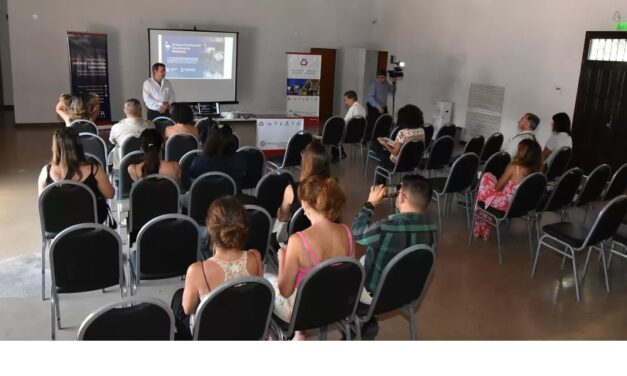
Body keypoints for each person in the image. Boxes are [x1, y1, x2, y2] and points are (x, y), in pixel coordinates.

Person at [266, 176, 353, 340]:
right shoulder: (346, 232)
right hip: (335, 304)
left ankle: (274, 337)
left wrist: (282, 258)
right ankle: (300, 334)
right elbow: (347, 275)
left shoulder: (298, 241)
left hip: (302, 312)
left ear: (305, 204)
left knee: (264, 281)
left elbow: (285, 291)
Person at [351, 175, 437, 338]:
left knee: (349, 270)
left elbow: (357, 233)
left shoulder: (385, 228)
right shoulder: (433, 229)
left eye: (399, 193)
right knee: (365, 260)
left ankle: (359, 324)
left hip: (376, 295)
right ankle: (368, 321)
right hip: (408, 292)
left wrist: (369, 205)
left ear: (403, 197)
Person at [170, 196, 264, 339]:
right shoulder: (255, 257)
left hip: (210, 333)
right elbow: (256, 295)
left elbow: (188, 310)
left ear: (211, 229)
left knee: (178, 299)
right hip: (244, 325)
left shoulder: (197, 271)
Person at [37, 127, 114, 224]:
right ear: (78, 145)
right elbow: (110, 194)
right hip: (90, 222)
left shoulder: (45, 172)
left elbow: (42, 203)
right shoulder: (94, 170)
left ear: (55, 147)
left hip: (58, 225)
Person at [473, 139, 543, 239]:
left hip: (505, 206)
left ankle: (480, 226)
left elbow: (498, 187)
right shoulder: (537, 173)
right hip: (520, 206)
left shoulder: (515, 167)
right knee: (486, 191)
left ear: (523, 153)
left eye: (520, 149)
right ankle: (482, 226)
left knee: (486, 177)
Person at [276, 141, 331, 223]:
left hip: (298, 234)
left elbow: (283, 218)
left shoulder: (292, 190)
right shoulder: (332, 188)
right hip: (323, 234)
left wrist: (280, 213)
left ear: (305, 160)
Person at [373, 104, 426, 184]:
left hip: (398, 163)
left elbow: (395, 152)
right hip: (413, 161)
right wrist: (390, 143)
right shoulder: (422, 131)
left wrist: (384, 143)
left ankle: (380, 187)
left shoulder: (402, 133)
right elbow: (407, 145)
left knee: (379, 151)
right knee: (383, 154)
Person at [189, 123, 246, 190]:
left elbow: (193, 181)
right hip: (231, 198)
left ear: (209, 140)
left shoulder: (198, 162)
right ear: (232, 139)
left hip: (204, 198)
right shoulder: (240, 159)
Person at [108, 99, 155, 169]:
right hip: (147, 167)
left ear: (125, 111)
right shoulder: (151, 125)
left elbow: (112, 141)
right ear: (140, 110)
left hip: (123, 170)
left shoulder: (116, 127)